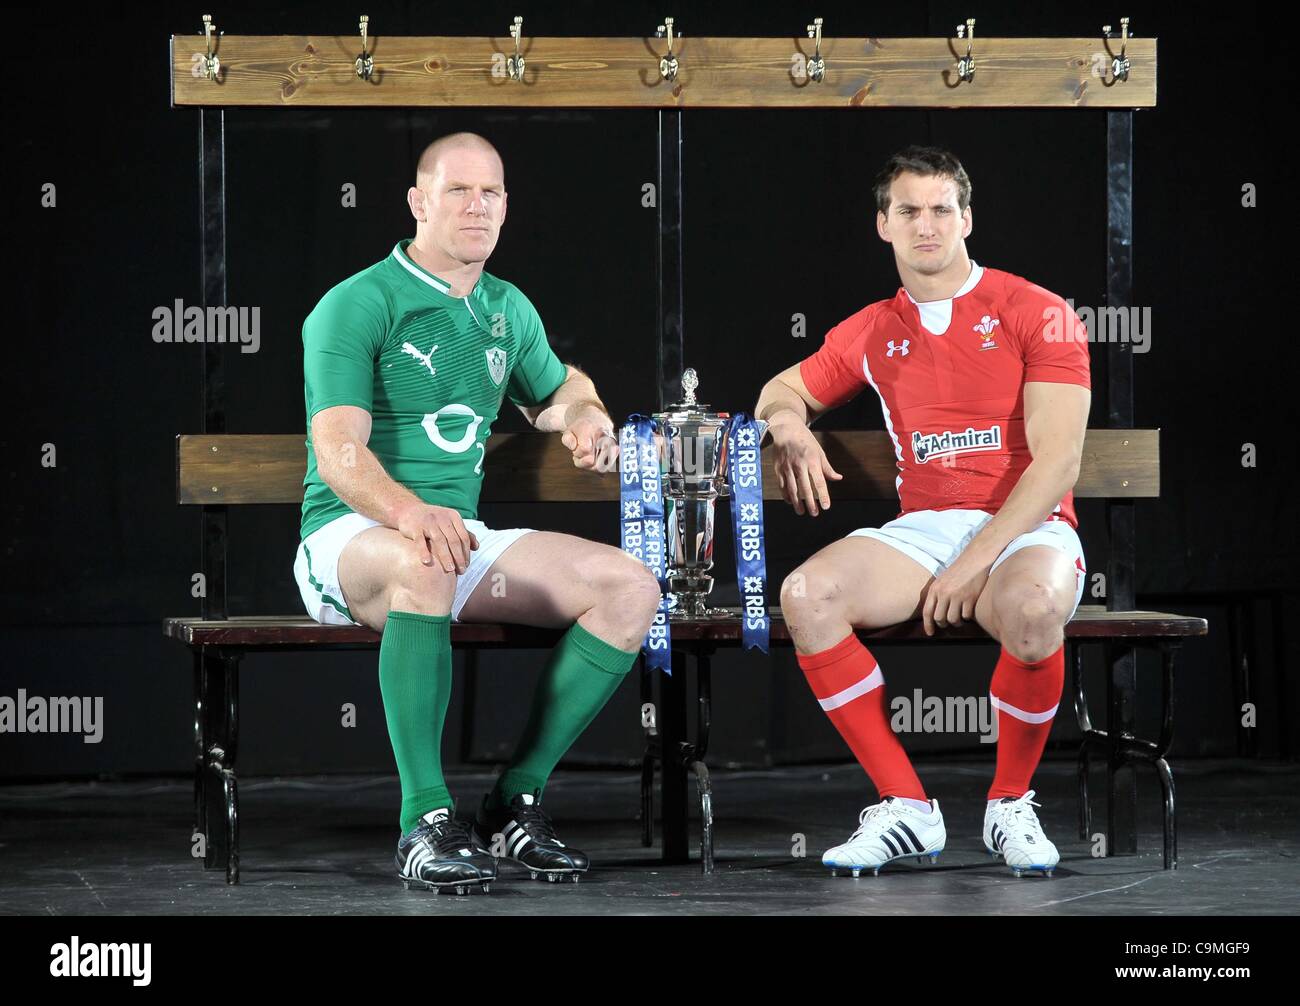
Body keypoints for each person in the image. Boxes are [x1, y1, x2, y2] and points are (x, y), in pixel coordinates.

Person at [292, 132, 661, 893]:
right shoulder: (357, 303)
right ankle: (424, 821)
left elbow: (559, 389)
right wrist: (409, 512)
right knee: (428, 556)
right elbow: (339, 455)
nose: (476, 205)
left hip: (454, 537)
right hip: (350, 537)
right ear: (418, 203)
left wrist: (585, 414)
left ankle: (511, 803)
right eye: (457, 190)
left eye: (490, 192)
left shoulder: (504, 306)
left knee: (631, 588)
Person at [755, 146, 1091, 878]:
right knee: (807, 596)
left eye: (942, 209)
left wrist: (974, 565)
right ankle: (905, 805)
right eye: (908, 210)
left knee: (1033, 609)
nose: (927, 224)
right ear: (884, 225)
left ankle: (1009, 804)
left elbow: (1058, 463)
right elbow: (782, 389)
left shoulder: (1039, 311)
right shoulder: (874, 328)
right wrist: (789, 430)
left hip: (1028, 527)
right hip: (927, 528)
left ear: (967, 218)